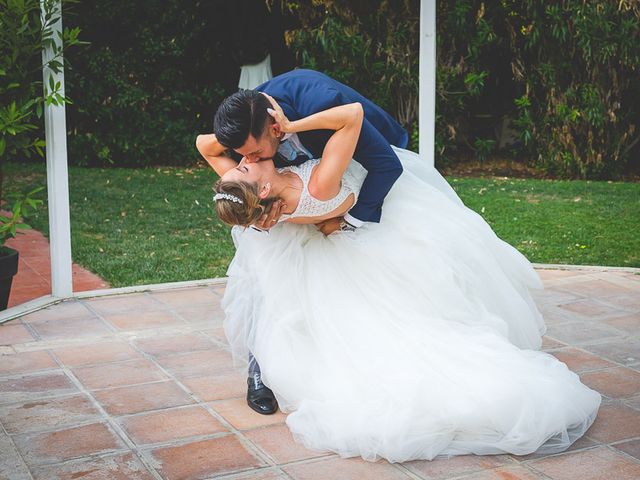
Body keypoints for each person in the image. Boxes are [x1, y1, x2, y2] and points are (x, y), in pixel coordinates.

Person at [209, 97, 601, 463]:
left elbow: (207, 145)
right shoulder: (316, 185)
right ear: (261, 187)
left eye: (244, 155)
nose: (241, 157)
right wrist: (293, 124)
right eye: (243, 162)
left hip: (337, 238)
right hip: (348, 235)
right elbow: (351, 116)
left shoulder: (265, 202)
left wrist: (246, 132)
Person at [196, 68, 410, 415]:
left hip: (365, 168)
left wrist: (345, 223)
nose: (245, 160)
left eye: (251, 154)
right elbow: (209, 146)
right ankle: (260, 372)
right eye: (241, 156)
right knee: (263, 276)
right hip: (290, 194)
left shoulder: (321, 103)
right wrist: (262, 210)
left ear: (274, 126)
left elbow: (385, 166)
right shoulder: (244, 126)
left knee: (363, 281)